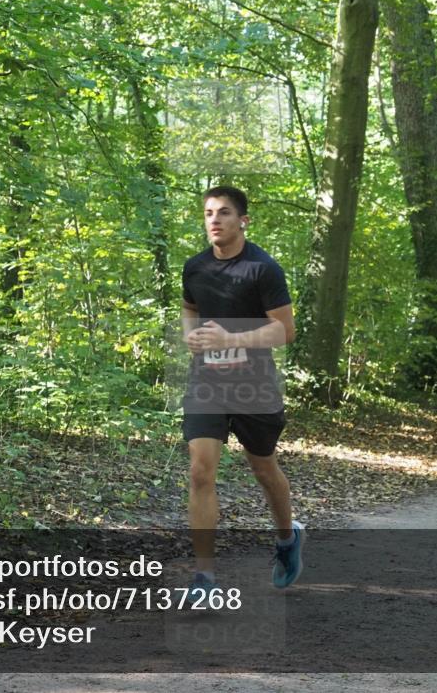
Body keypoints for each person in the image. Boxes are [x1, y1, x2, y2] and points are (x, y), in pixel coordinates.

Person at [181, 185, 304, 595]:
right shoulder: (194, 267)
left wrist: (231, 340)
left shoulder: (263, 269)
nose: (214, 220)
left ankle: (287, 539)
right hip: (207, 384)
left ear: (243, 221)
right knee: (201, 471)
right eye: (209, 213)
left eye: (225, 213)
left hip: (254, 386)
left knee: (263, 469)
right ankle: (205, 579)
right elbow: (190, 308)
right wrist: (192, 338)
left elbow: (284, 330)